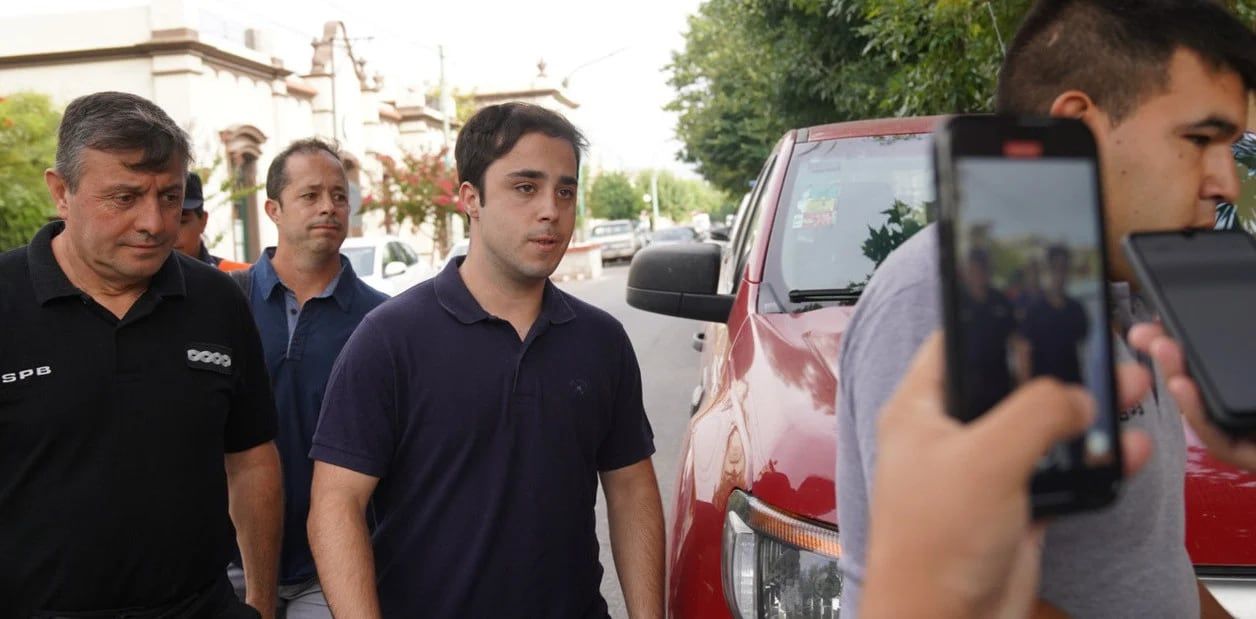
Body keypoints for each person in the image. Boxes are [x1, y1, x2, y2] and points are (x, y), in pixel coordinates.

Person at [835, 2, 1256, 617]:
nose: (1226, 182)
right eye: (1198, 140)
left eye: (1231, 147)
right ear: (1078, 128)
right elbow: (958, 588)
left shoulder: (1124, 289)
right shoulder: (946, 288)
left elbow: (1144, 568)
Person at [307, 102, 664, 618]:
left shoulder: (600, 340)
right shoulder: (389, 339)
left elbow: (631, 491)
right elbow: (336, 505)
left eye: (565, 190)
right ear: (470, 198)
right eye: (526, 187)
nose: (551, 209)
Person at [0, 91, 281, 617]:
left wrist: (261, 604)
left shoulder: (218, 299)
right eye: (124, 198)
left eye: (170, 197)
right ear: (61, 192)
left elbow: (250, 460)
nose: (154, 222)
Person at [860, 333, 1155, 618]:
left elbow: (1153, 557)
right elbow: (919, 553)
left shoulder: (1127, 314)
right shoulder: (920, 302)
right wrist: (938, 601)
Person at [225, 139, 387, 617]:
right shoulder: (223, 305)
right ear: (273, 208)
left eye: (340, 195)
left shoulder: (382, 320)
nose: (329, 208)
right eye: (310, 195)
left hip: (334, 565)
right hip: (227, 562)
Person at [1016, 245, 1090, 383]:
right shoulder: (1034, 310)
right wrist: (1026, 389)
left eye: (1064, 269)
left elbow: (1083, 349)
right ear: (1047, 271)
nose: (1059, 275)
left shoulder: (1077, 309)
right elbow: (1024, 351)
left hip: (1072, 384)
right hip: (1042, 386)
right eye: (1055, 268)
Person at [175, 171, 250, 271]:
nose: (172, 234)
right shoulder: (147, 281)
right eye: (163, 222)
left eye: (182, 222)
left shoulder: (238, 278)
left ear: (203, 221)